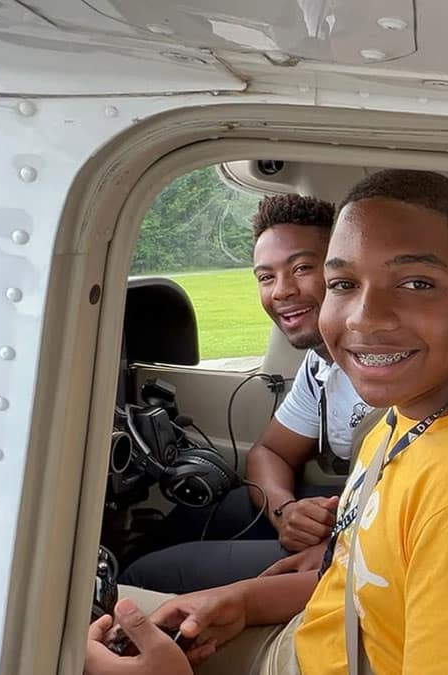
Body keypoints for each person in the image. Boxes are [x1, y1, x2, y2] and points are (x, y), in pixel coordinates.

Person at [84, 169, 448, 675]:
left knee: (66, 628)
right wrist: (242, 602)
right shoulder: (408, 416)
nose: (364, 317)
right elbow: (366, 581)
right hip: (308, 638)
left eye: (416, 283)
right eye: (343, 284)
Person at [120, 194, 369, 592]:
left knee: (143, 577)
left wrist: (335, 550)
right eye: (266, 277)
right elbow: (269, 452)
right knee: (203, 513)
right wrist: (285, 512)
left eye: (301, 268)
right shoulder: (320, 364)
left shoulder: (383, 364)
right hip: (354, 512)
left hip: (372, 543)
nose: (281, 291)